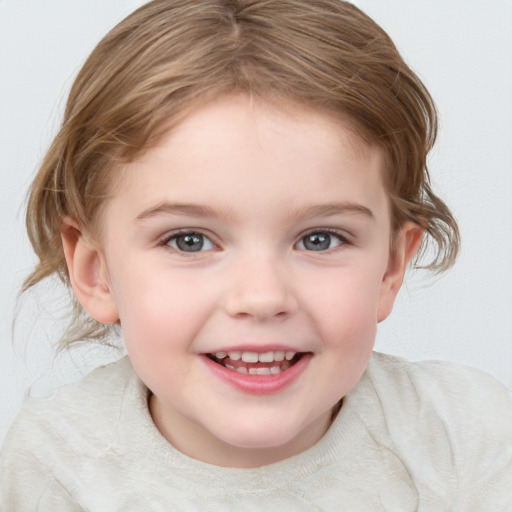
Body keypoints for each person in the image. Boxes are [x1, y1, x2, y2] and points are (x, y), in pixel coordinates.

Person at [1, 0, 511, 509]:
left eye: (320, 239)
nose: (262, 297)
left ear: (391, 268)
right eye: (189, 240)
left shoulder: (465, 440)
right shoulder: (54, 468)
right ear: (97, 273)